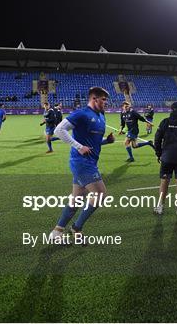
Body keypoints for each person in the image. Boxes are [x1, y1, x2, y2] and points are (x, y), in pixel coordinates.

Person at [49, 87, 116, 242]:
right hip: (82, 163)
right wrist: (78, 146)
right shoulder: (82, 114)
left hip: (89, 162)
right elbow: (59, 130)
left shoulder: (101, 116)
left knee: (76, 199)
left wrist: (107, 141)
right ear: (94, 99)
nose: (105, 102)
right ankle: (76, 228)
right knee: (100, 195)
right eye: (103, 99)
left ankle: (57, 232)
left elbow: (93, 143)